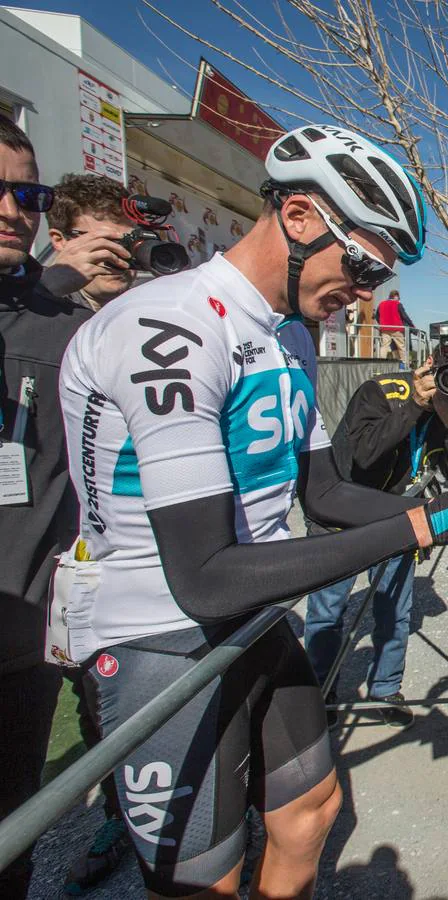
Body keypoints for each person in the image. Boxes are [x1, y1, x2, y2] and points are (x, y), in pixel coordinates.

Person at [58, 123, 448, 898]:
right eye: (364, 264)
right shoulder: (167, 326)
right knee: (206, 882)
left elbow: (325, 492)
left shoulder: (289, 342)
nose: (367, 292)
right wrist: (423, 524)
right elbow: (203, 575)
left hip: (259, 613)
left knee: (310, 810)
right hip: (163, 635)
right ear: (300, 218)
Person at [42, 173, 153, 893]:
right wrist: (55, 286)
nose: (118, 266)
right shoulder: (35, 313)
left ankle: (152, 815)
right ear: (62, 241)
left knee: (139, 697)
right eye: (104, 251)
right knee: (84, 705)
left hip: (137, 547)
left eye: (128, 250)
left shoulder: (154, 319)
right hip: (50, 545)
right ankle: (114, 807)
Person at [0, 116, 92, 899]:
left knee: (12, 836)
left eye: (25, 191)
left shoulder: (68, 326)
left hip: (24, 641)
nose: (9, 208)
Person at [305, 343, 448, 729]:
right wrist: (415, 405)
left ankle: (385, 689)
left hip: (397, 518)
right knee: (327, 612)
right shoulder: (382, 390)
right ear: (431, 363)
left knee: (395, 613)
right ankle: (319, 692)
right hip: (341, 516)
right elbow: (365, 455)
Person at [42, 173, 137, 311]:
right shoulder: (31, 308)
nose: (118, 256)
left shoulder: (151, 302)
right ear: (60, 240)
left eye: (128, 242)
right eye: (105, 243)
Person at [376, 288, 415, 363]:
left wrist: (381, 324)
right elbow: (404, 316)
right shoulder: (397, 304)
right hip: (397, 328)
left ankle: (380, 363)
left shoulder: (381, 304)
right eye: (398, 298)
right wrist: (412, 325)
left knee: (384, 346)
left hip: (385, 329)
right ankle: (404, 364)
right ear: (395, 296)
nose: (398, 300)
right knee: (401, 346)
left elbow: (377, 316)